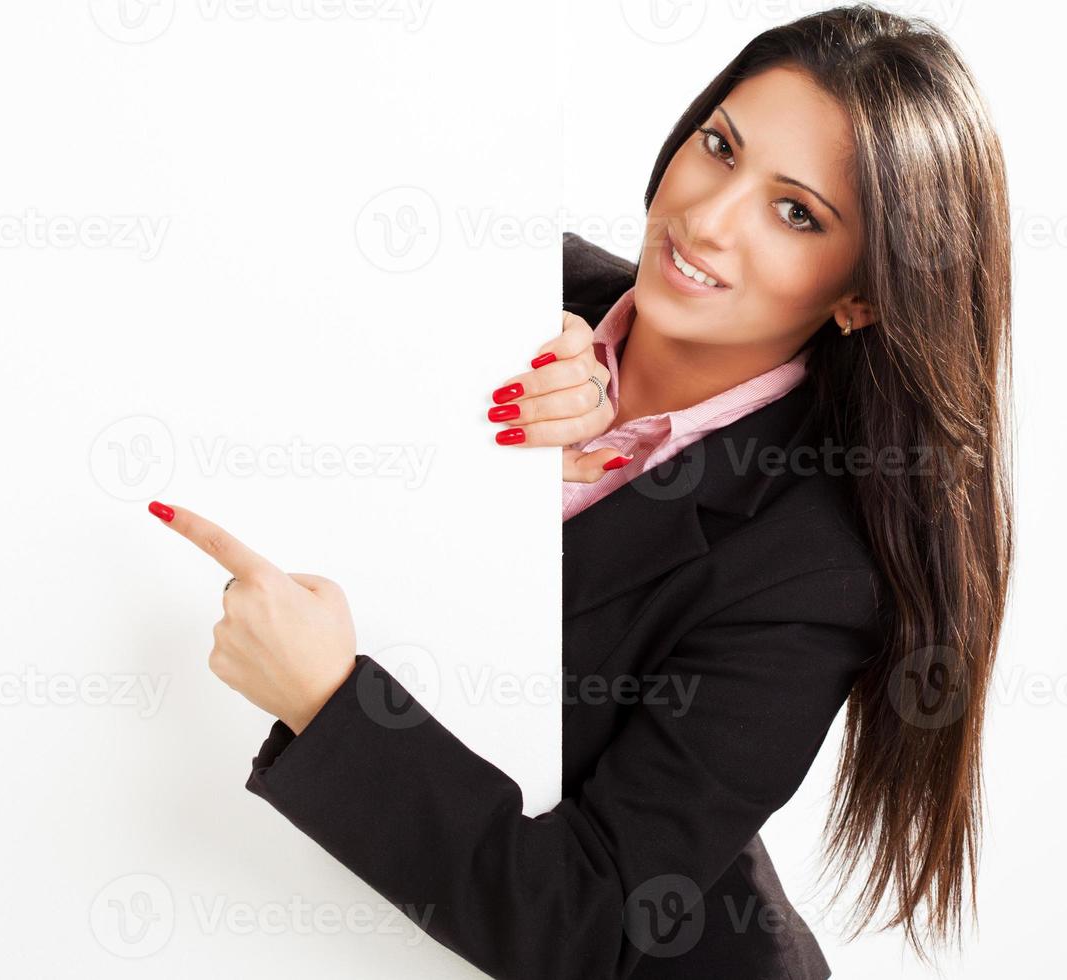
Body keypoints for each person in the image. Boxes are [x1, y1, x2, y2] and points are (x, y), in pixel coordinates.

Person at [150, 5, 1014, 976]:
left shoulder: (813, 568)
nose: (709, 216)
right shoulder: (510, 282)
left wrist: (329, 700)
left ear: (861, 293)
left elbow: (592, 912)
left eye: (797, 211)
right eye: (720, 146)